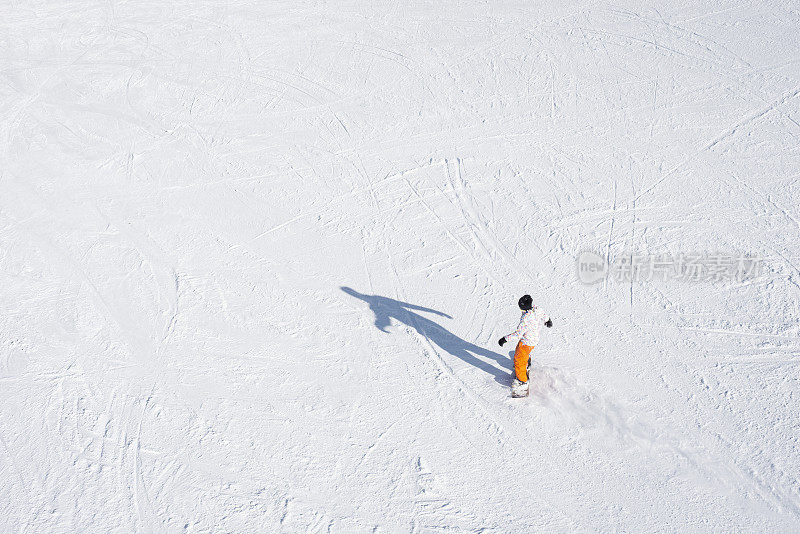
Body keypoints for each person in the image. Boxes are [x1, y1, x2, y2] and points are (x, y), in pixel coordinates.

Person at [498, 295, 552, 392]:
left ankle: (522, 382)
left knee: (519, 360)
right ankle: (526, 362)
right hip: (534, 339)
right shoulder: (537, 309)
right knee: (522, 352)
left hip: (526, 342)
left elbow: (518, 334)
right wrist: (548, 320)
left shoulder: (525, 319)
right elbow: (544, 315)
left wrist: (505, 339)